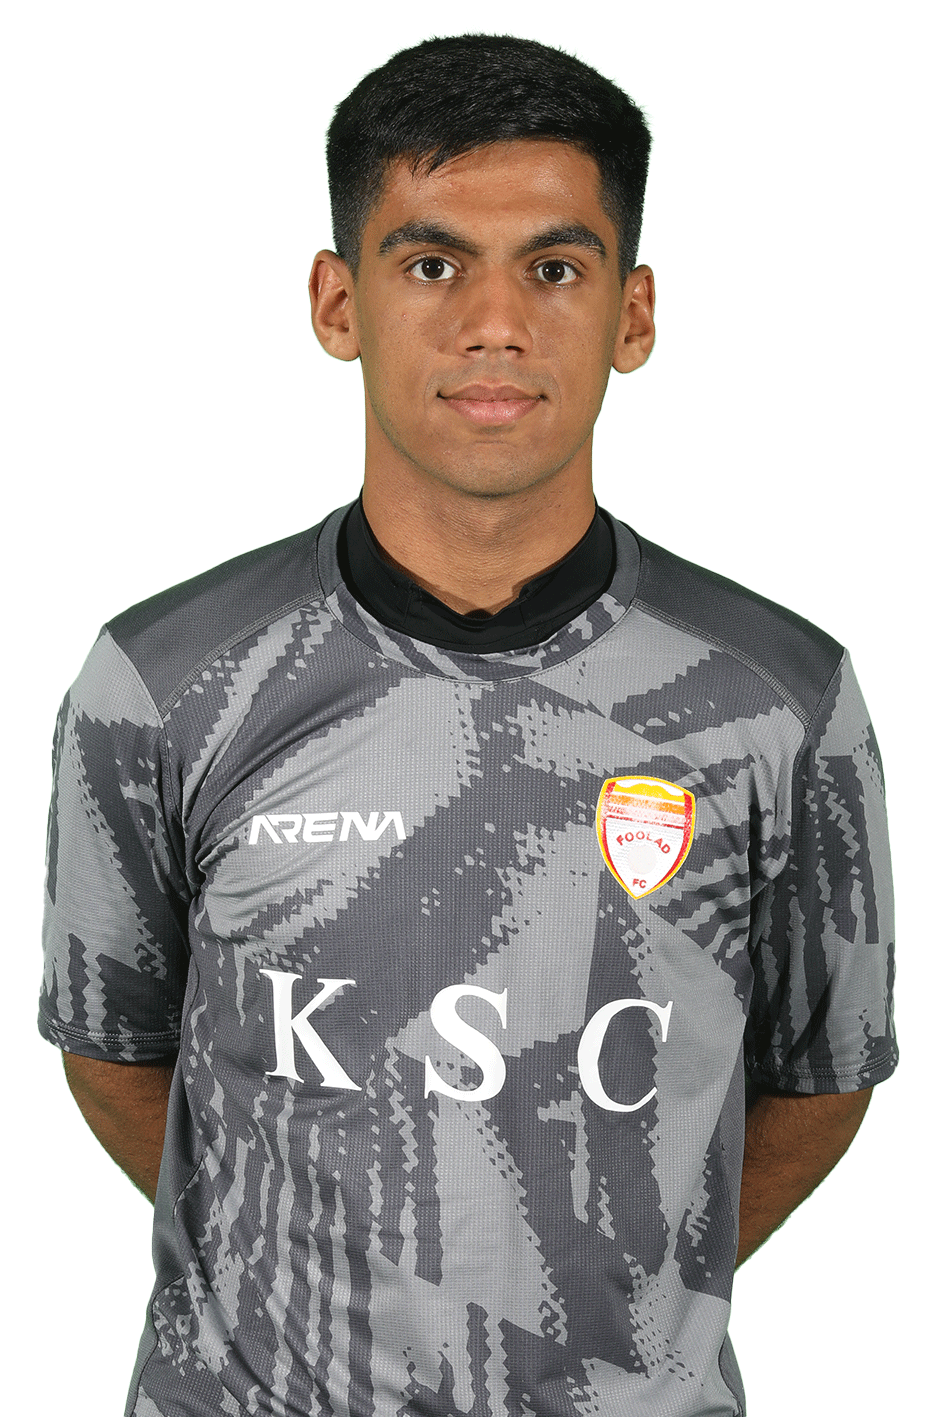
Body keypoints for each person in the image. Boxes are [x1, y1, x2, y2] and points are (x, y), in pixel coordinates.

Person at [39, 33, 897, 1417]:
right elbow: (115, 1054)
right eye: (433, 264)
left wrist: (604, 1310)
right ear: (339, 303)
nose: (495, 323)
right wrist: (306, 1289)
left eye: (554, 269)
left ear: (633, 315)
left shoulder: (778, 696)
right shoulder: (165, 679)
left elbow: (820, 1082)